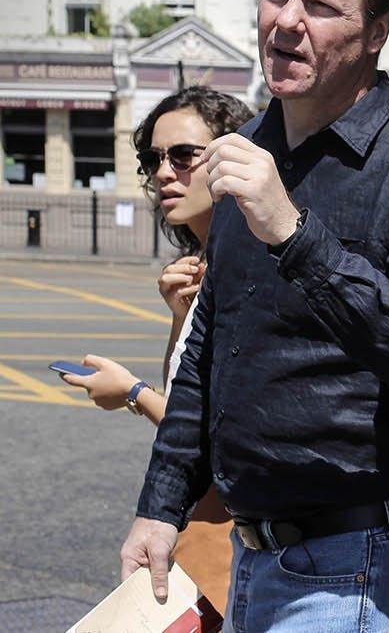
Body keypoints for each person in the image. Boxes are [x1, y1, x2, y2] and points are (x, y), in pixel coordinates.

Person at [118, 0, 389, 633]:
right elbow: (209, 356)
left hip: (367, 567)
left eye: (319, 5)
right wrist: (160, 508)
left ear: (379, 30)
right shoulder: (249, 151)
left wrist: (293, 232)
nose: (286, 21)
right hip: (255, 558)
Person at [61, 86, 253, 606]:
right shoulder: (201, 266)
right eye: (154, 158)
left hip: (232, 537)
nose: (165, 172)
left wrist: (131, 392)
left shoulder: (248, 266)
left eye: (184, 155)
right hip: (198, 526)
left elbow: (215, 429)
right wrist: (178, 316)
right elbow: (187, 387)